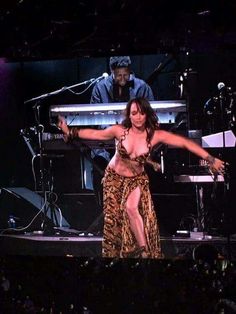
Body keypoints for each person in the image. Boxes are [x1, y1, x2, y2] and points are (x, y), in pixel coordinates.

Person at [57, 97, 225, 259]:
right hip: (114, 180)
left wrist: (211, 159)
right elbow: (94, 134)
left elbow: (184, 143)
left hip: (136, 179)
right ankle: (121, 255)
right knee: (114, 223)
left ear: (147, 114)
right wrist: (69, 131)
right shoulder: (119, 131)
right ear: (129, 115)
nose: (138, 117)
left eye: (142, 113)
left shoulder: (154, 135)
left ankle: (145, 252)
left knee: (131, 208)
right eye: (134, 113)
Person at [90, 56, 154, 103]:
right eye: (119, 75)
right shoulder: (100, 88)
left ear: (129, 71)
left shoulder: (142, 87)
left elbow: (150, 111)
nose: (123, 79)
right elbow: (93, 114)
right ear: (112, 71)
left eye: (125, 75)